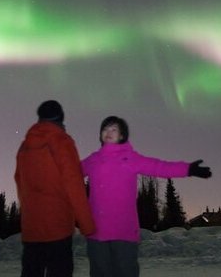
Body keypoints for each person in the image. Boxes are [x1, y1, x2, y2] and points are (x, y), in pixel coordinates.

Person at [81, 115, 211, 277]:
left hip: (124, 230)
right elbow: (71, 174)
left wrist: (188, 169)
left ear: (122, 135)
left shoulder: (131, 158)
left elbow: (159, 167)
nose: (108, 131)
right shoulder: (93, 159)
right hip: (97, 231)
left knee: (126, 272)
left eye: (114, 129)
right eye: (105, 128)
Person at [15, 100, 96, 277]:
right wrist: (86, 224)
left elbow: (19, 180)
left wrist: (29, 210)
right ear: (60, 117)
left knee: (31, 271)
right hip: (57, 226)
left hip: (31, 227)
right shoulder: (62, 141)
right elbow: (73, 182)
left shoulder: (24, 146)